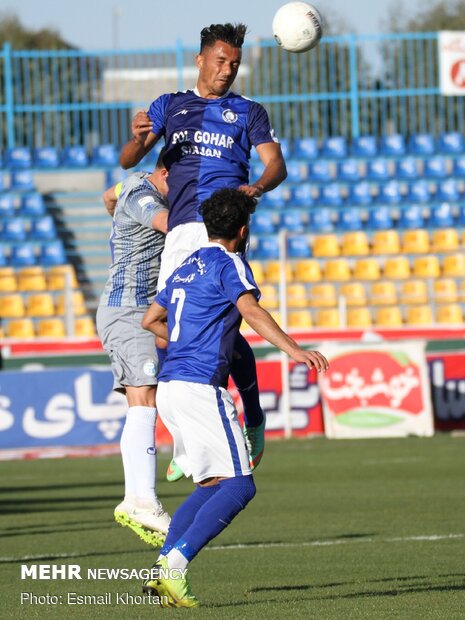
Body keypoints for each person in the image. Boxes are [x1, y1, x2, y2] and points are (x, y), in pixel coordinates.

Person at [140, 188, 328, 608]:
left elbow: (149, 319)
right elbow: (251, 311)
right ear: (243, 230)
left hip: (170, 387)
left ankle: (159, 569)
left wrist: (186, 340)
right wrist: (295, 349)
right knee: (241, 487)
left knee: (212, 485)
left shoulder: (187, 266)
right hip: (199, 387)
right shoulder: (231, 264)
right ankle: (175, 565)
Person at [119, 22, 288, 478]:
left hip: (221, 227)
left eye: (234, 63)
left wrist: (256, 186)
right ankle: (189, 437)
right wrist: (137, 137)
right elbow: (128, 160)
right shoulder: (170, 106)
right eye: (219, 61)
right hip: (179, 231)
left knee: (225, 328)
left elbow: (277, 164)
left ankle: (250, 415)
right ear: (200, 60)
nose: (227, 70)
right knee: (166, 331)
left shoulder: (248, 111)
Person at [96, 149, 171, 547]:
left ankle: (136, 497)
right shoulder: (145, 196)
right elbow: (165, 221)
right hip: (128, 308)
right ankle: (142, 500)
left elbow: (108, 196)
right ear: (163, 172)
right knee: (144, 397)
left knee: (159, 391)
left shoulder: (133, 184)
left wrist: (122, 229)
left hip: (145, 308)